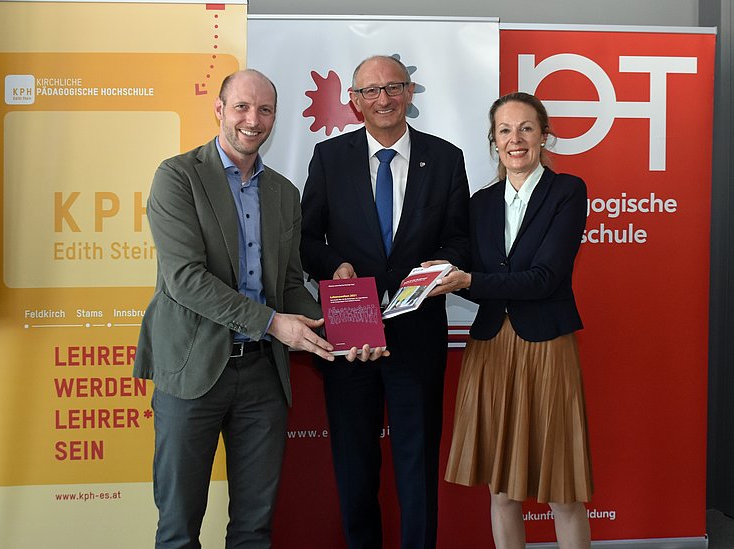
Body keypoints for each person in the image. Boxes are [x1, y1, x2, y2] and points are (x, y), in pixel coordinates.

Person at [134, 69, 380, 549]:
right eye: (243, 107)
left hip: (264, 377)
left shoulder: (284, 194)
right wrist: (271, 323)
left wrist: (344, 329)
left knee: (253, 529)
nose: (253, 119)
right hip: (192, 370)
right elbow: (185, 280)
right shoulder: (178, 176)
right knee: (178, 528)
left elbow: (288, 284)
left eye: (265, 110)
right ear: (220, 110)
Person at [300, 55, 470, 548]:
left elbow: (459, 240)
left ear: (410, 92)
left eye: (393, 87)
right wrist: (334, 267)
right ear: (353, 102)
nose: (383, 99)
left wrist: (434, 269)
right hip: (350, 333)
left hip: (417, 336)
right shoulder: (329, 159)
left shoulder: (445, 158)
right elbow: (307, 238)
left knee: (417, 467)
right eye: (370, 91)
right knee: (355, 467)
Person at [429, 92, 593, 549]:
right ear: (493, 141)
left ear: (544, 136)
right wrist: (432, 273)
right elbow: (458, 256)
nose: (515, 139)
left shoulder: (567, 192)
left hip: (546, 347)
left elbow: (543, 278)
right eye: (504, 130)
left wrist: (468, 282)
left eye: (525, 128)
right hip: (490, 348)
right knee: (501, 490)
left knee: (563, 492)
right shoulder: (479, 203)